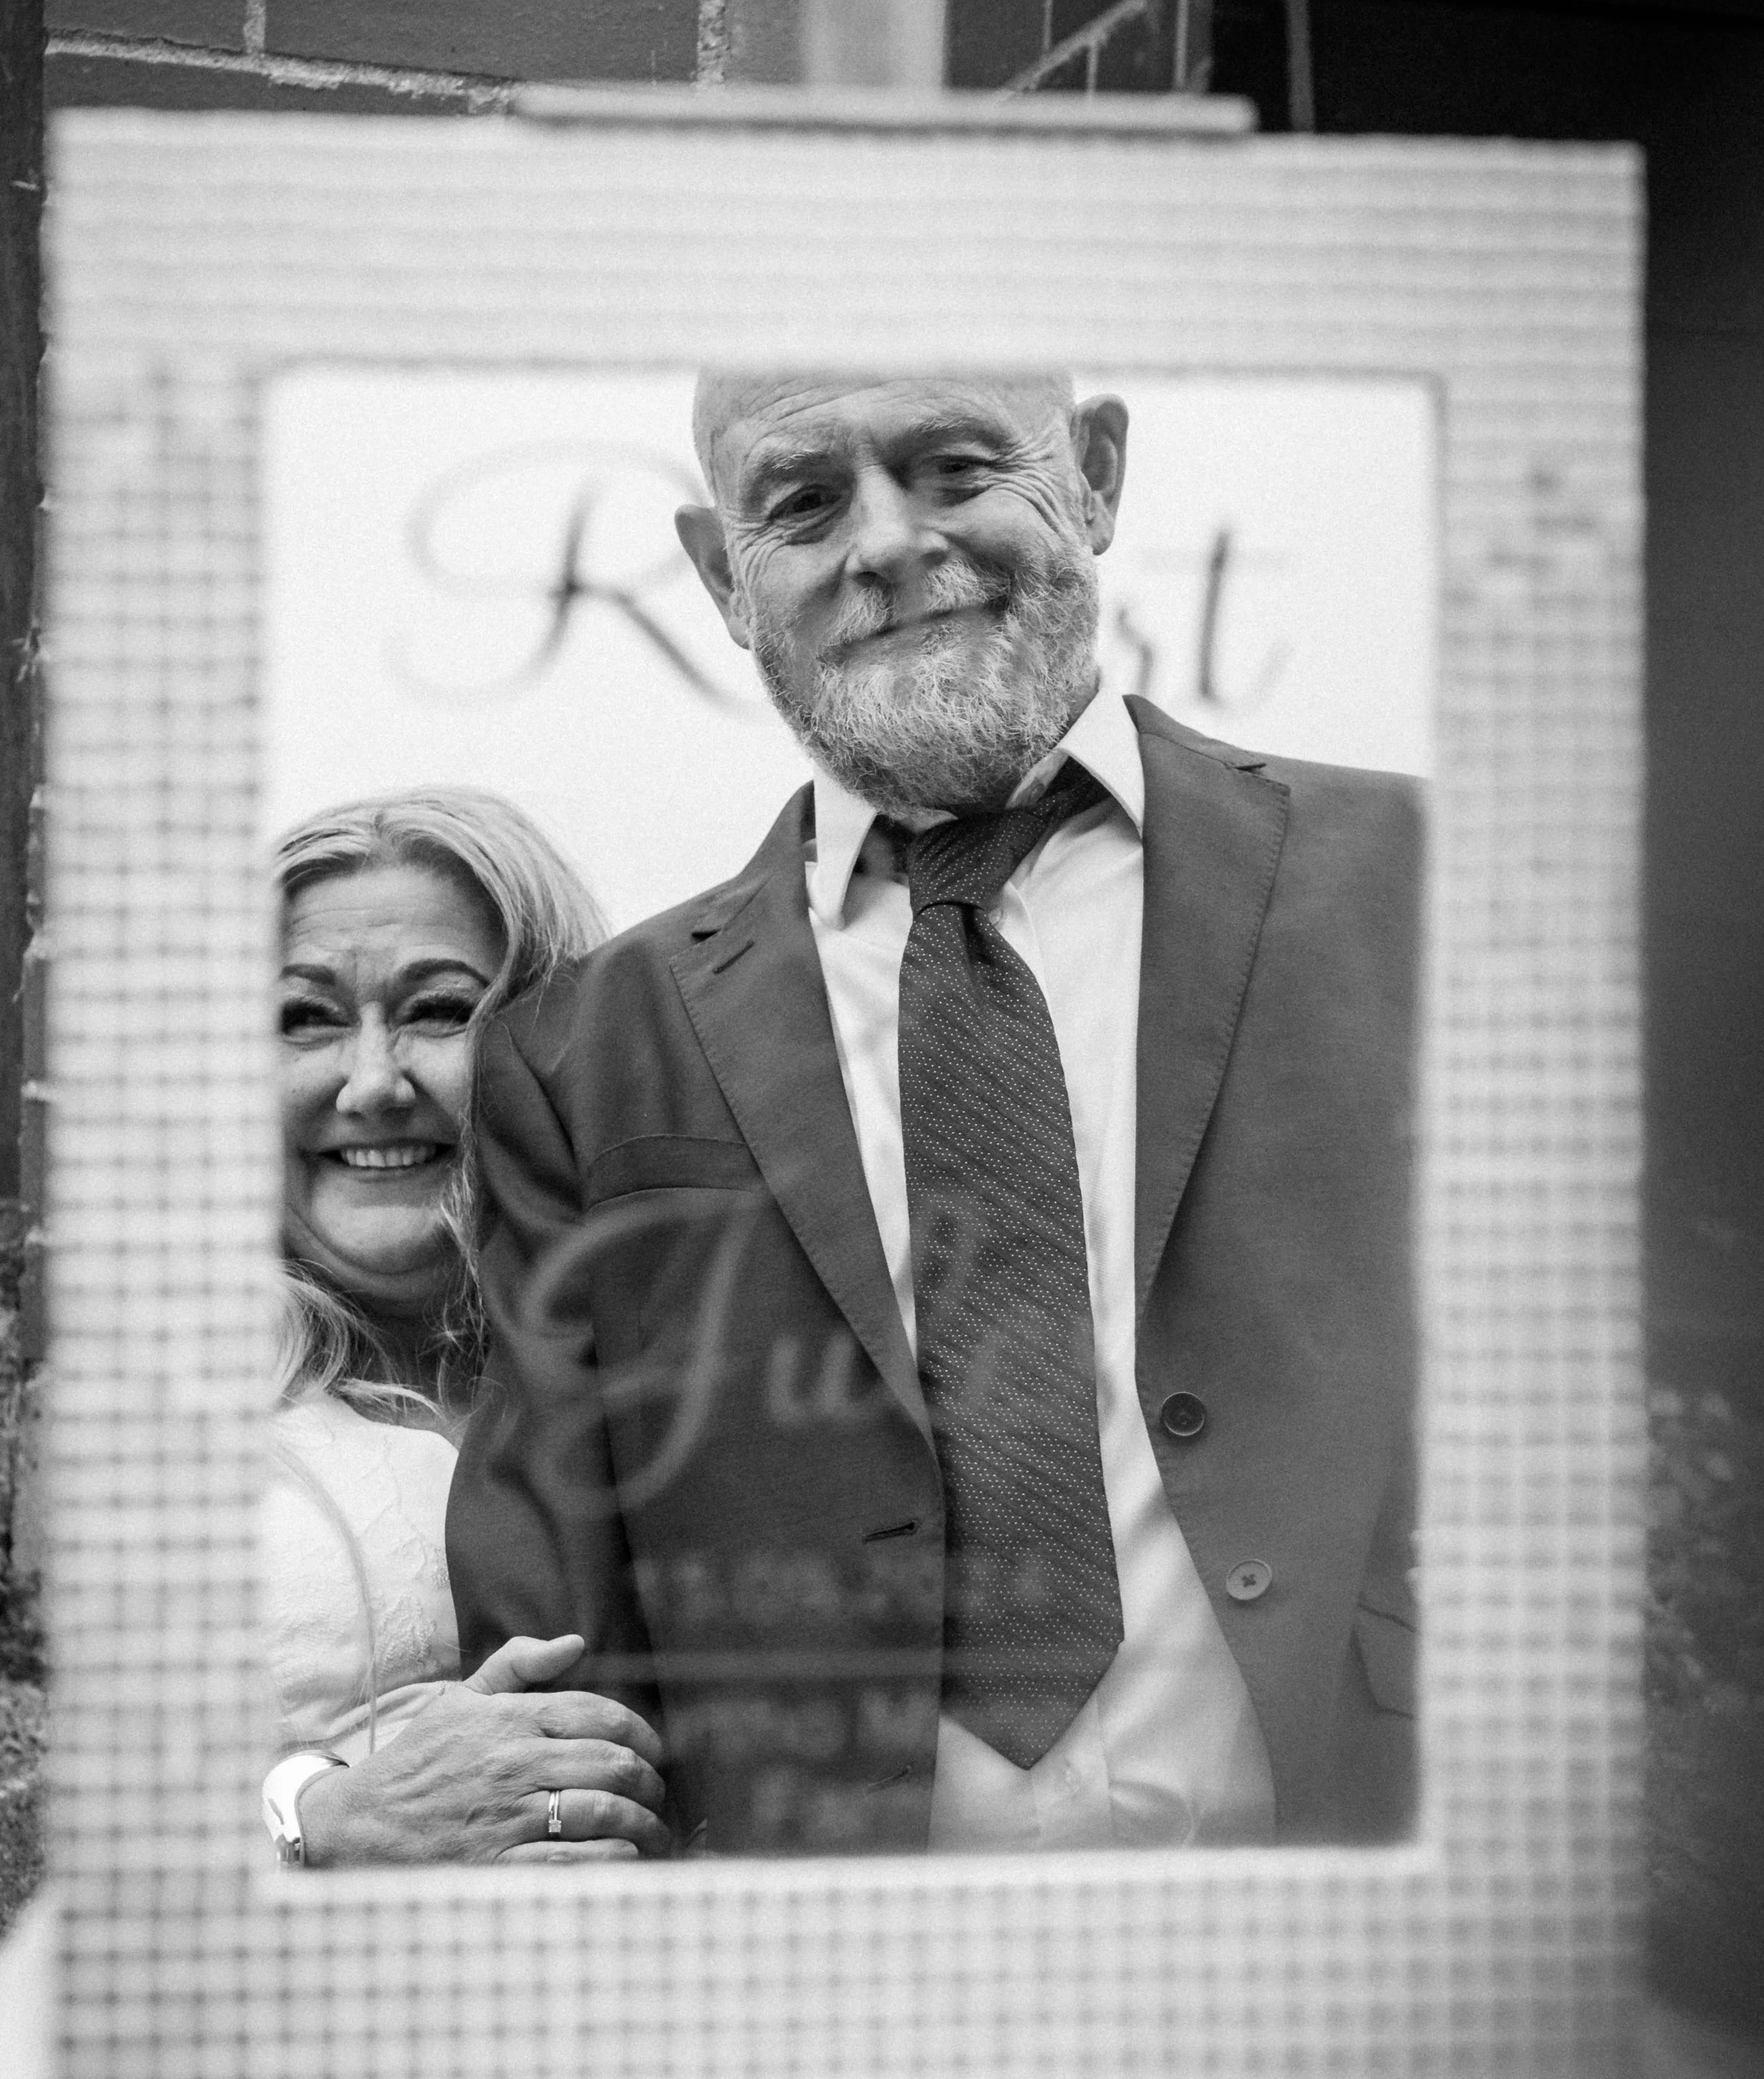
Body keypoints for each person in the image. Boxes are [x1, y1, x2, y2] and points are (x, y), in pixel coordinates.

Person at [442, 370, 1421, 1861]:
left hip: (1373, 1947)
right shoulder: (578, 1055)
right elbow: (565, 1657)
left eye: (954, 468)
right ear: (720, 572)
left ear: (1091, 474)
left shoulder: (1428, 890)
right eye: (804, 501)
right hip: (838, 2009)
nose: (886, 543)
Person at [258, 789, 670, 1869]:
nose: (372, 1081)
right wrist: (321, 1816)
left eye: (439, 1010)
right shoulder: (162, 1409)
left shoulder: (685, 1362)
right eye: (305, 1017)